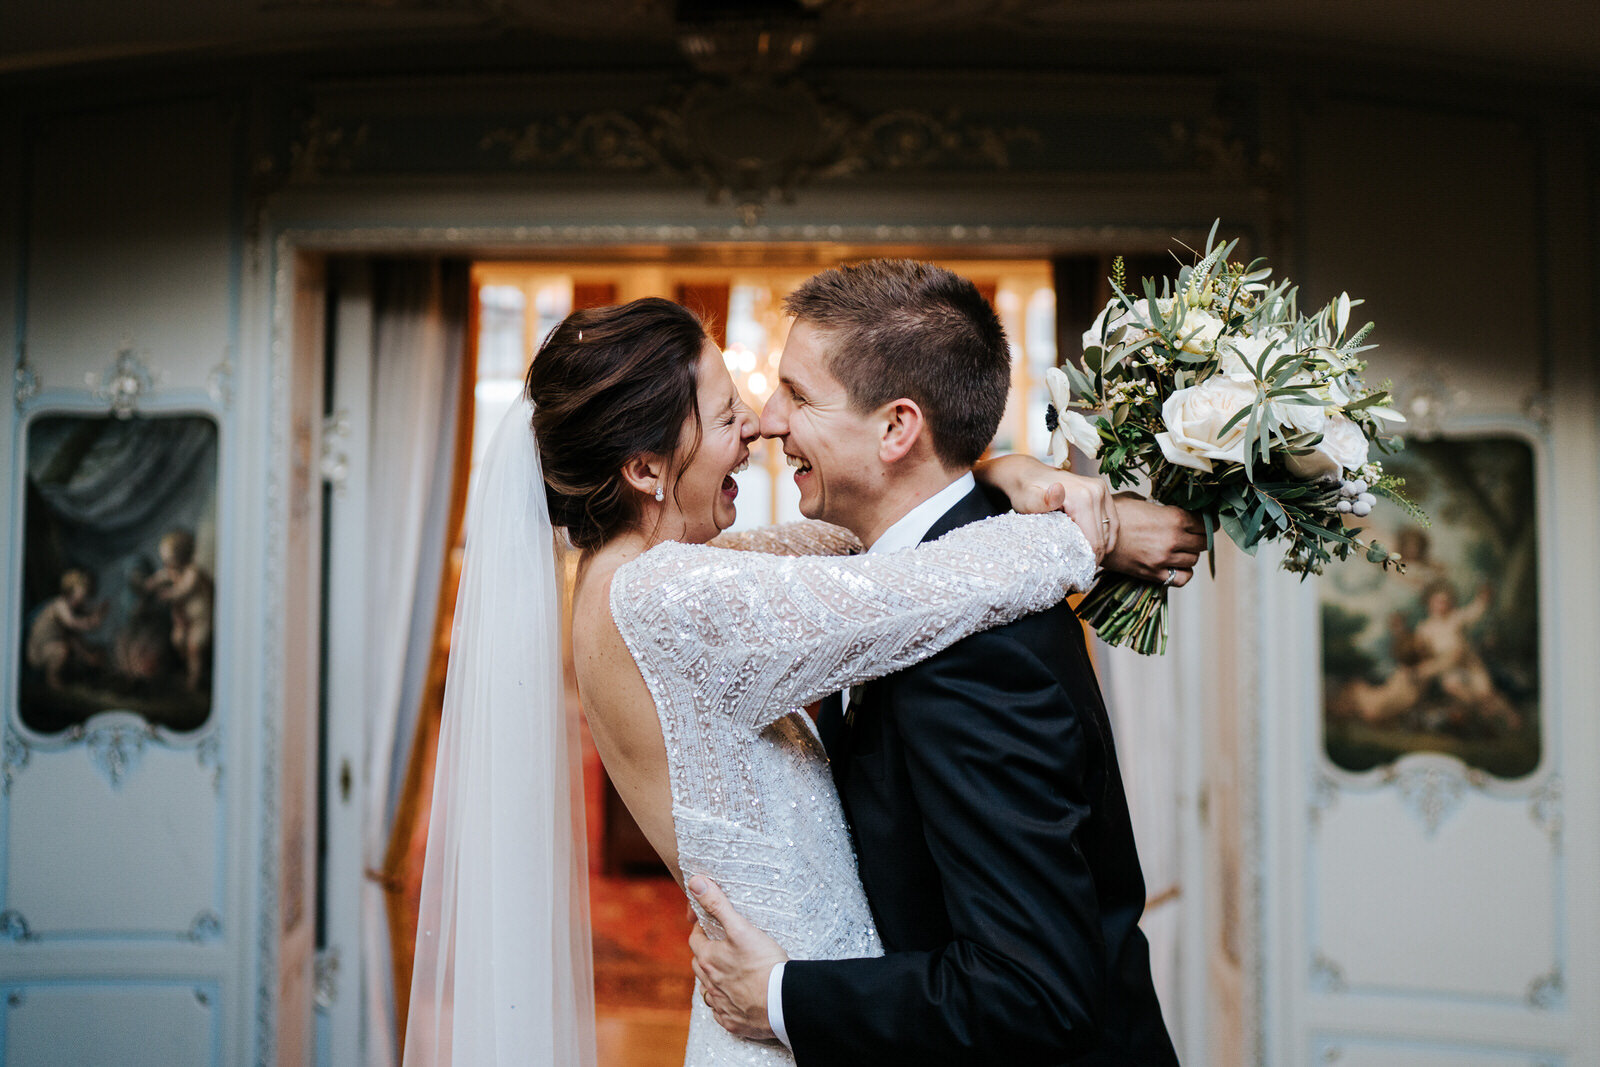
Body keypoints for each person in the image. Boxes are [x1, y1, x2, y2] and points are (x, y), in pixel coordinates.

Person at [403, 295, 1198, 1066]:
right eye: (727, 415)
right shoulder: (660, 598)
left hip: (808, 1015)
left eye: (785, 396)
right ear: (645, 467)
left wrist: (999, 472)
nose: (759, 425)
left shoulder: (647, 579)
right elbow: (902, 592)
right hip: (785, 1023)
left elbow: (855, 551)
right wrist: (1099, 529)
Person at [689, 260, 1198, 1064]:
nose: (768, 419)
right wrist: (1006, 471)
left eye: (798, 394)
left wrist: (781, 995)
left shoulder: (977, 651)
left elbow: (1031, 992)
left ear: (897, 428)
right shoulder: (930, 577)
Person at [26, 568, 106, 690]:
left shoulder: (73, 608)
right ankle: (52, 680)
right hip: (39, 651)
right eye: (82, 590)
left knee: (74, 644)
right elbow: (72, 623)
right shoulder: (60, 604)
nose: (85, 595)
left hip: (52, 646)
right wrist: (90, 622)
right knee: (62, 649)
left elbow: (76, 636)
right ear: (71, 589)